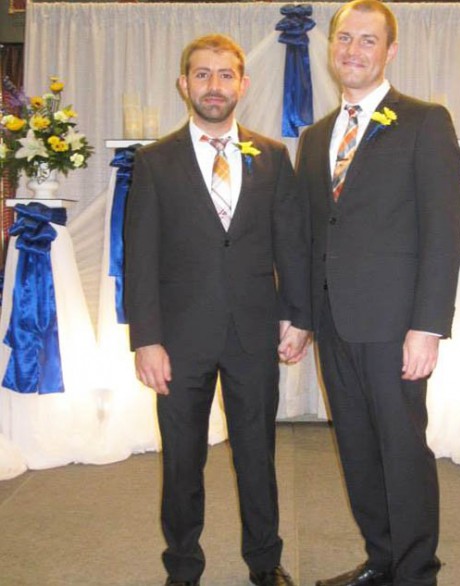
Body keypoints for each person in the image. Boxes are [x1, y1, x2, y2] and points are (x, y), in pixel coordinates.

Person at [124, 34, 311, 586]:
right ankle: (183, 565)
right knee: (182, 460)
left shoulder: (272, 156)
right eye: (202, 74)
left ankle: (265, 562)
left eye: (225, 75)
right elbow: (139, 256)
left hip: (254, 332)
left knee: (257, 455)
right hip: (179, 339)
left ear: (242, 85)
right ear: (184, 84)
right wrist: (146, 339)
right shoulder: (155, 161)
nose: (214, 85)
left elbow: (291, 243)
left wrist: (299, 316)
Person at [296, 2, 460, 585]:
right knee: (357, 448)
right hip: (334, 321)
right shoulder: (315, 137)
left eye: (368, 40)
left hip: (396, 325)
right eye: (344, 38)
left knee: (402, 450)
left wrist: (428, 326)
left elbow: (443, 231)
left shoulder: (424, 121)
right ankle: (382, 560)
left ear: (390, 51)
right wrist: (301, 316)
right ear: (330, 47)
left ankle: (416, 572)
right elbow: (312, 235)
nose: (353, 50)